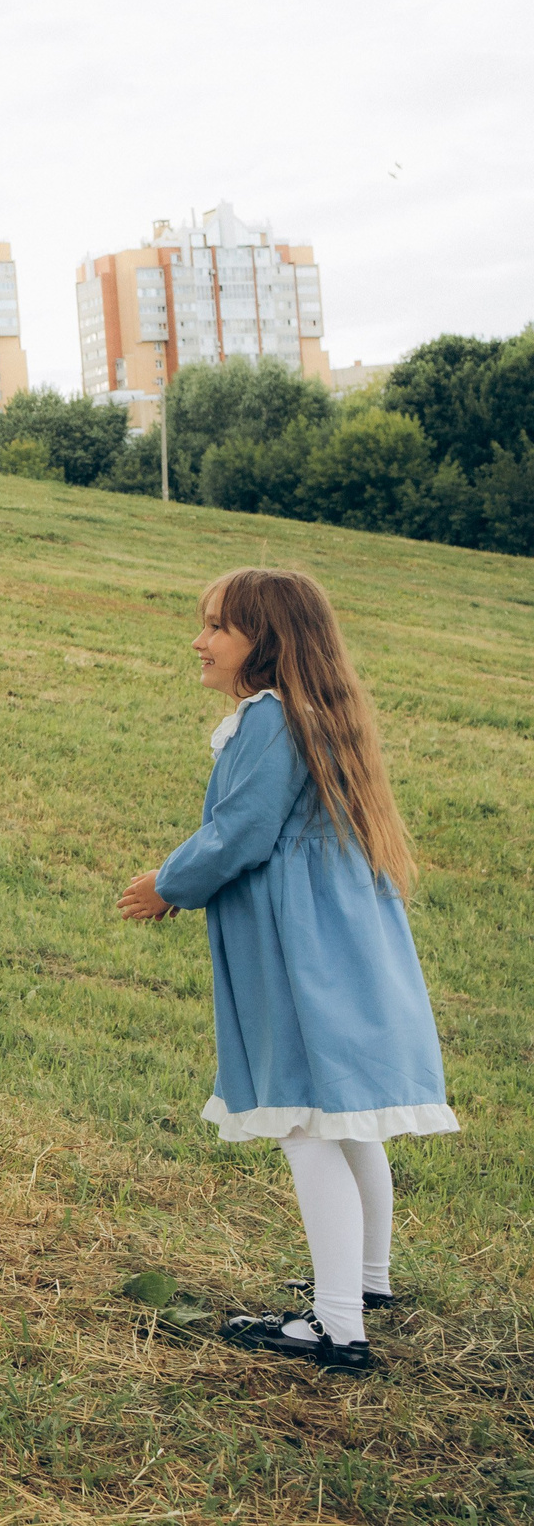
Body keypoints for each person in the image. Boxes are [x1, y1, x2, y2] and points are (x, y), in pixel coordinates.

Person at [119, 567, 455, 1374]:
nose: (199, 641)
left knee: (303, 1122)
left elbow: (241, 830)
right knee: (342, 1117)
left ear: (264, 643)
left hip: (300, 951)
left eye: (217, 627)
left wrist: (169, 883)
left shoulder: (269, 717)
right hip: (338, 940)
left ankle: (338, 1328)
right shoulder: (311, 713)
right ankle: (366, 1280)